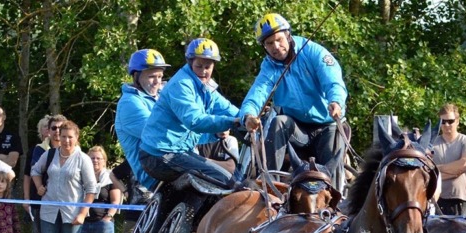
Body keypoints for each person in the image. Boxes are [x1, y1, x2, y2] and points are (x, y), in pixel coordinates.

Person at [242, 13, 348, 182]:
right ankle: (270, 187)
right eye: (269, 43)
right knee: (279, 122)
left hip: (327, 125)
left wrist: (336, 101)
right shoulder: (269, 66)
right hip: (297, 129)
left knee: (334, 145)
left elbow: (334, 82)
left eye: (279, 40)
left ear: (288, 35)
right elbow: (257, 94)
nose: (276, 47)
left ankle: (334, 197)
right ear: (264, 47)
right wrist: (248, 116)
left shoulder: (314, 52)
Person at [139, 38, 239, 190]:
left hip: (174, 150)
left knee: (221, 176)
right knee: (224, 179)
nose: (204, 71)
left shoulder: (205, 87)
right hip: (159, 155)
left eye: (208, 66)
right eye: (199, 66)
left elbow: (229, 109)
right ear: (190, 62)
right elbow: (195, 122)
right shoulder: (182, 84)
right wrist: (233, 121)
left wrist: (248, 117)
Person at [31, 120, 97, 233]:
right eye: (64, 136)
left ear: (76, 138)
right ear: (58, 137)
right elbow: (35, 170)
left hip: (72, 213)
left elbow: (91, 188)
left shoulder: (83, 159)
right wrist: (39, 186)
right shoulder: (50, 154)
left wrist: (82, 213)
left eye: (70, 137)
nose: (66, 140)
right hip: (48, 211)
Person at [115, 48, 171, 195]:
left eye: (160, 76)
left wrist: (215, 133)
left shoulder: (160, 98)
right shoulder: (129, 103)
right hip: (155, 172)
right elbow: (159, 133)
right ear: (136, 76)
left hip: (174, 162)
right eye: (152, 76)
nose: (157, 82)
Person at [78, 146, 121, 233]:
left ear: (104, 161)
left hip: (103, 224)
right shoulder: (81, 176)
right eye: (92, 158)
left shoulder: (111, 178)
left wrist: (108, 217)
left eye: (98, 158)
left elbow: (115, 201)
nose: (95, 160)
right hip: (83, 223)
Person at [23, 114, 60, 233]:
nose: (54, 131)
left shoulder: (75, 150)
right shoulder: (37, 150)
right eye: (50, 127)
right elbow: (30, 173)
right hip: (39, 198)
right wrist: (26, 197)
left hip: (62, 201)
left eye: (59, 128)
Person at [432, 103, 466, 215]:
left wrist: (437, 170)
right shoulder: (432, 143)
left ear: (457, 121)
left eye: (450, 121)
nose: (447, 125)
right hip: (436, 200)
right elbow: (426, 170)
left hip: (462, 199)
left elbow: (463, 165)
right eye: (443, 121)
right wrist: (454, 172)